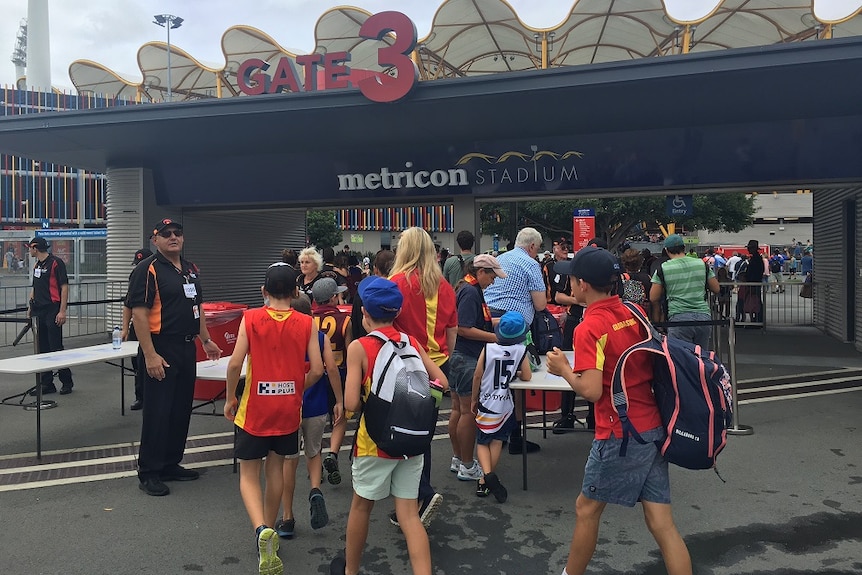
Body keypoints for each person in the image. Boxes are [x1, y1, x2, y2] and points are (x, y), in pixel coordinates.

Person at [545, 246, 692, 575]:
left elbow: (592, 390)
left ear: (583, 284)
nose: (567, 282)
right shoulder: (632, 311)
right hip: (653, 425)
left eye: (571, 277)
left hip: (619, 433)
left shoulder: (589, 327)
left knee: (586, 509)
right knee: (660, 521)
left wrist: (563, 370)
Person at [329, 276, 447, 575]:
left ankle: (350, 570)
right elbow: (441, 383)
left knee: (361, 507)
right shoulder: (412, 342)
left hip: (374, 443)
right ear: (396, 313)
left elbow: (353, 403)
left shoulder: (360, 347)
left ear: (364, 312)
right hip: (412, 441)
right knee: (409, 515)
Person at [224, 263, 323, 575]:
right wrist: (295, 387)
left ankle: (259, 531)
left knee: (249, 474)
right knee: (277, 467)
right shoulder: (307, 322)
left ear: (263, 291)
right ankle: (270, 527)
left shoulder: (251, 318)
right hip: (288, 409)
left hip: (255, 407)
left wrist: (230, 397)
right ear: (296, 292)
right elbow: (317, 370)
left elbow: (234, 363)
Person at [128, 218, 223, 496]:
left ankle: (171, 463)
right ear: (154, 240)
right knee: (158, 411)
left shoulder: (190, 269)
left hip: (186, 347)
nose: (173, 237)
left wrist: (205, 339)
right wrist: (150, 355)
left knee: (180, 409)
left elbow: (198, 307)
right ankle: (149, 471)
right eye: (166, 233)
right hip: (161, 347)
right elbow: (139, 313)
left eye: (178, 233)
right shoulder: (148, 269)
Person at [389, 227, 457, 527]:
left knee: (402, 434)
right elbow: (452, 332)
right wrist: (441, 362)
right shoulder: (445, 286)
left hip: (404, 368)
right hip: (436, 370)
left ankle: (420, 493)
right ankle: (417, 497)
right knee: (423, 433)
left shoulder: (396, 284)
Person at [276, 294, 342, 538]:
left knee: (288, 460)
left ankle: (287, 517)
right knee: (314, 452)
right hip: (316, 406)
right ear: (311, 315)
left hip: (289, 405)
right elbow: (331, 369)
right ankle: (315, 489)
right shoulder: (319, 337)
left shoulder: (282, 336)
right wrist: (339, 401)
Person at [482, 226, 547, 454]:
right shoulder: (530, 264)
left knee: (493, 378)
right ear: (531, 246)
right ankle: (515, 436)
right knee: (518, 381)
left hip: (490, 320)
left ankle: (489, 431)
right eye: (537, 248)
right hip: (515, 327)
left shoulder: (500, 259)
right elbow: (540, 305)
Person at [448, 254, 506, 482]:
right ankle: (467, 463)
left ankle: (458, 458)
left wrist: (499, 323)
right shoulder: (471, 293)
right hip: (467, 357)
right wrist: (495, 338)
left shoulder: (466, 288)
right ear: (480, 272)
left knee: (456, 410)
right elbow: (464, 328)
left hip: (457, 356)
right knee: (468, 413)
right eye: (491, 276)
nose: (493, 281)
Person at [470, 311, 531, 502]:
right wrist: (518, 373)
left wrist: (473, 398)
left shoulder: (488, 349)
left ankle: (486, 475)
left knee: (482, 442)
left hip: (486, 401)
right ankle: (484, 480)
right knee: (497, 441)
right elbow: (527, 376)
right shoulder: (521, 351)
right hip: (505, 405)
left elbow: (477, 375)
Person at [311, 277, 353, 486]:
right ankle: (333, 453)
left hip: (314, 375)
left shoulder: (308, 320)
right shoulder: (344, 320)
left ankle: (315, 464)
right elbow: (350, 350)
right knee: (340, 416)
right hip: (340, 373)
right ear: (333, 298)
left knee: (315, 421)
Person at [649, 234, 719, 350]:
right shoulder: (701, 264)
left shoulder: (663, 268)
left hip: (679, 318)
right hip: (703, 317)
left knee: (681, 359)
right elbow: (716, 288)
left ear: (666, 250)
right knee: (701, 357)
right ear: (684, 248)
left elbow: (653, 297)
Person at [27, 236, 75, 395]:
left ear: (35, 248)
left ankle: (66, 381)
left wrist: (62, 311)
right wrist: (30, 306)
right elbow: (35, 286)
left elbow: (64, 287)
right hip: (38, 310)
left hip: (53, 308)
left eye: (30, 248)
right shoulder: (36, 265)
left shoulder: (56, 263)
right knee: (42, 348)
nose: (29, 250)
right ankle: (47, 383)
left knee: (56, 347)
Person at [544, 237, 581, 433]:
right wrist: (579, 300)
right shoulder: (556, 267)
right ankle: (567, 415)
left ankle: (594, 417)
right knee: (568, 362)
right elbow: (558, 295)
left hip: (590, 320)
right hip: (572, 318)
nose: (565, 249)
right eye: (562, 246)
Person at [122, 248, 154, 410]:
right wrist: (125, 329)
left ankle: (152, 397)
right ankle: (140, 397)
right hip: (137, 327)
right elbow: (128, 304)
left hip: (155, 327)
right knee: (138, 364)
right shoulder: (135, 276)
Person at [351, 249, 395, 340]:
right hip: (394, 343)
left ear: (375, 269)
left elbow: (354, 323)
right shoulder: (397, 291)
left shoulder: (363, 289)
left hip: (365, 343)